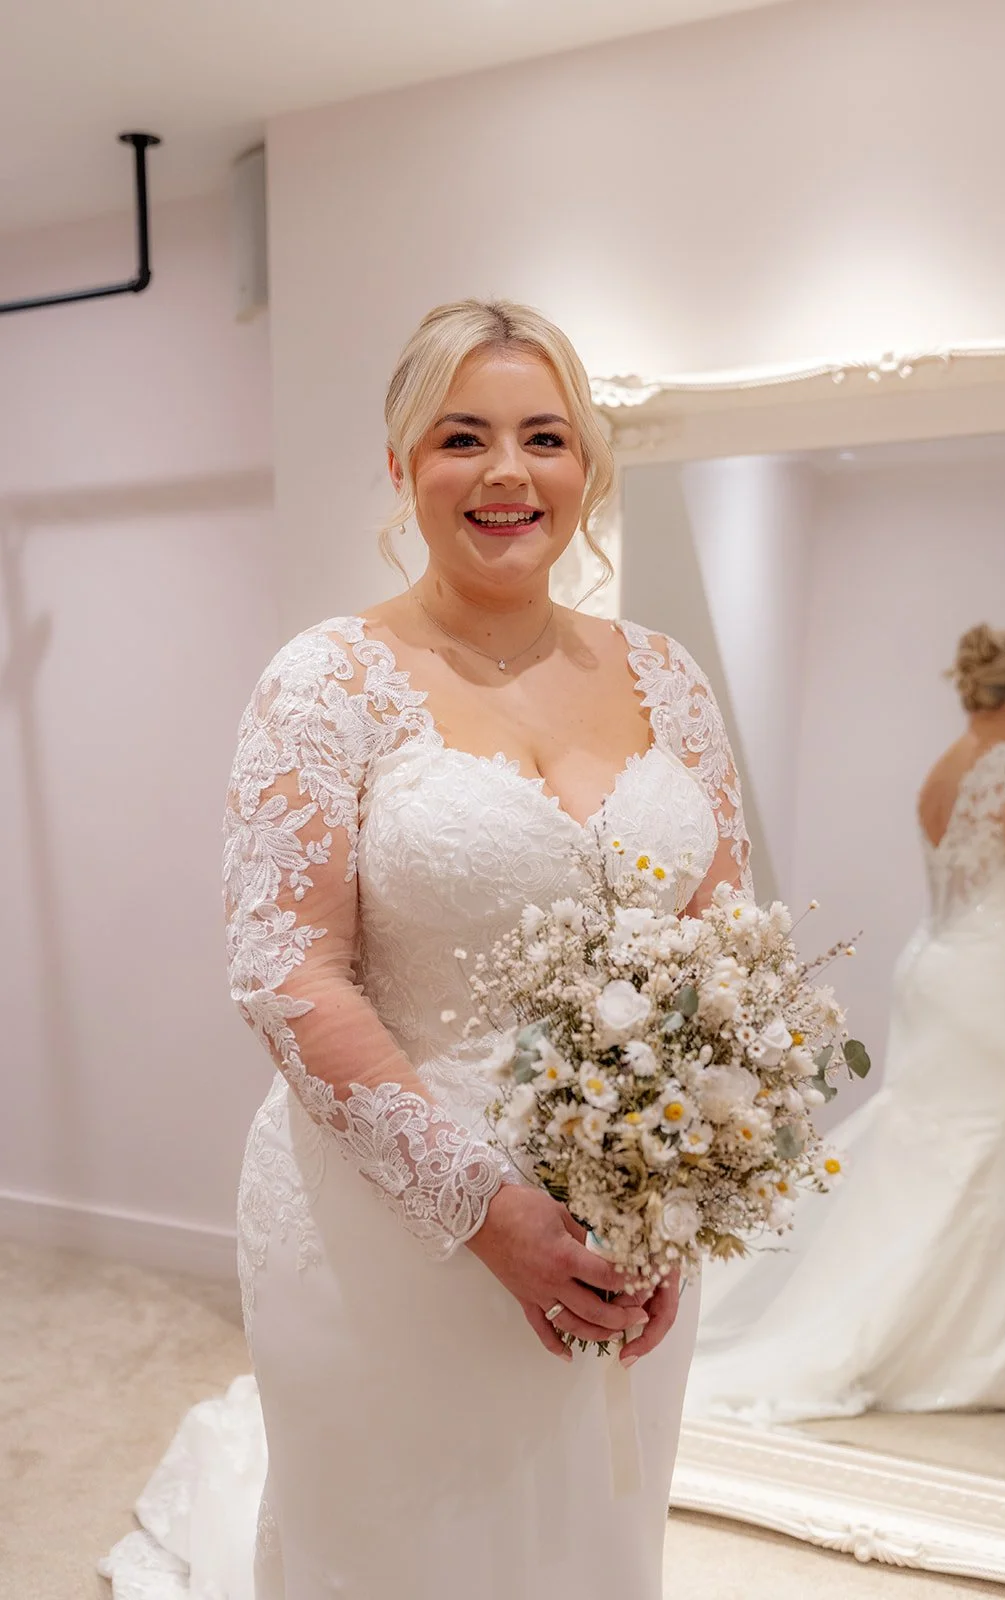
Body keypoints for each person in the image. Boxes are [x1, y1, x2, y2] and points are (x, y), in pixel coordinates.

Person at [101, 299, 751, 1599]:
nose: (507, 473)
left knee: (588, 1538)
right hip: (386, 1230)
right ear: (402, 466)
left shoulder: (666, 676)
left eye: (544, 437)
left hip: (619, 1216)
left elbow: (724, 947)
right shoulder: (325, 681)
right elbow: (290, 980)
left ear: (587, 469)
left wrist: (676, 1201)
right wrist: (488, 1212)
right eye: (463, 437)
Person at [684, 623, 1005, 1427]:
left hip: (938, 969)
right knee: (980, 1160)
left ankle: (925, 1340)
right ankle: (955, 1358)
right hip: (1001, 981)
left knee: (930, 1152)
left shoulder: (944, 769)